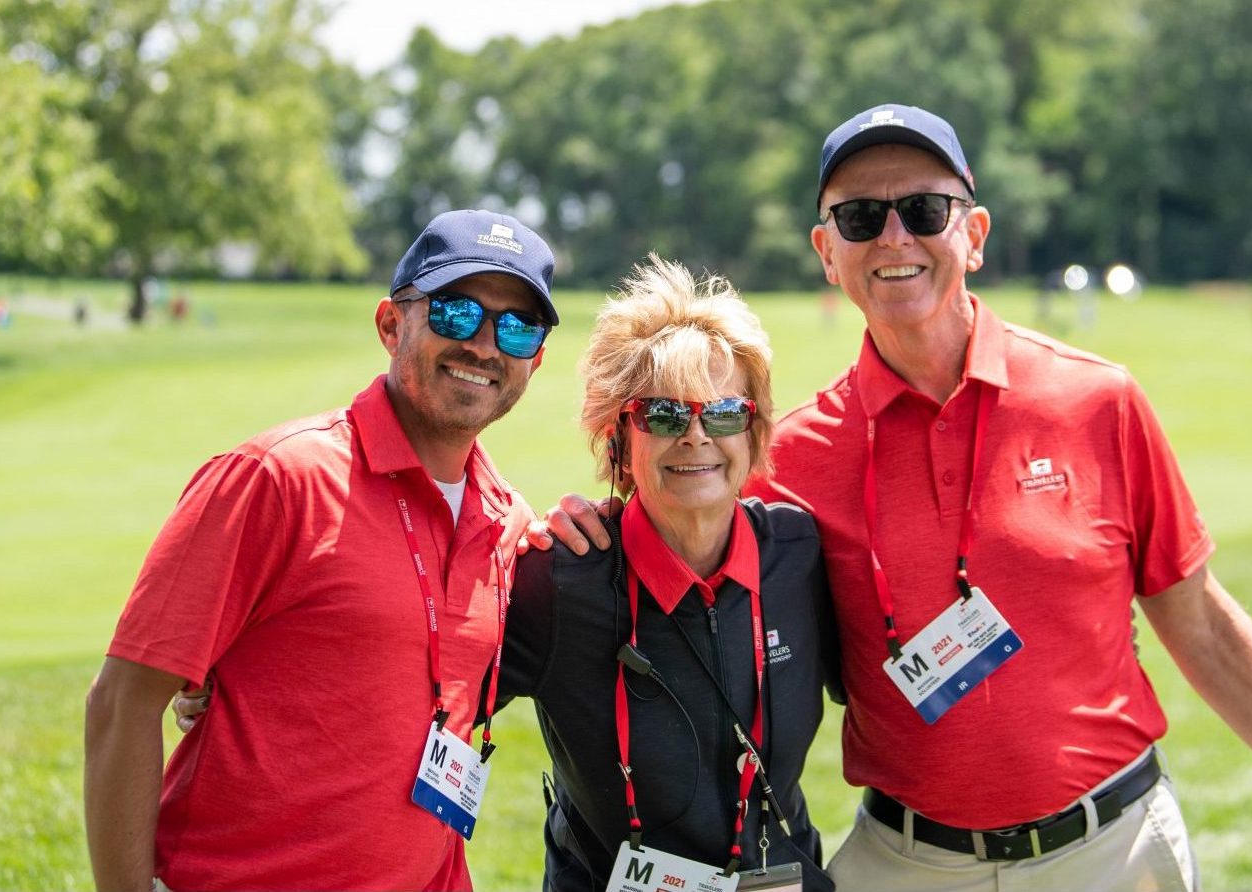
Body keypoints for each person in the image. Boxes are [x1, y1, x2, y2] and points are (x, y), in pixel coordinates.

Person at [547, 104, 1252, 891]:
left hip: (1110, 851)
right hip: (907, 862)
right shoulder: (791, 452)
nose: (895, 237)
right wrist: (582, 526)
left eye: (924, 209)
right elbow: (682, 513)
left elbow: (1201, 622)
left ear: (974, 235)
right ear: (829, 254)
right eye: (863, 217)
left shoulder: (1097, 399)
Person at [175, 257, 843, 891]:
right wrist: (228, 680)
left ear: (753, 434)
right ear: (618, 440)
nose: (696, 437)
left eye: (724, 412)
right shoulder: (558, 579)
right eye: (663, 414)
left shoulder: (801, 552)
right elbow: (398, 686)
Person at [83, 209, 557, 892]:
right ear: (393, 325)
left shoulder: (508, 522)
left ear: (534, 360)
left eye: (516, 327)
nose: (485, 345)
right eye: (456, 313)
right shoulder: (276, 477)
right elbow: (121, 704)